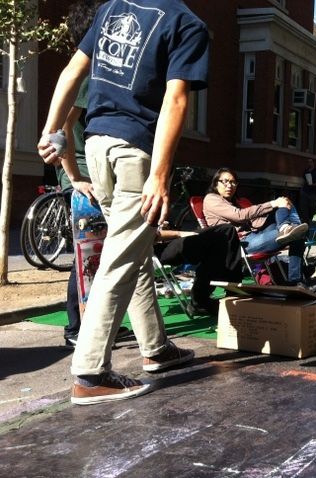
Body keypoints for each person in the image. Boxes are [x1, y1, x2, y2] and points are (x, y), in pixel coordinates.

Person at [37, 0, 210, 405]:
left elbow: (71, 71)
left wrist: (51, 132)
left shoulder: (112, 7)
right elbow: (177, 101)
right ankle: (90, 371)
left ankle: (155, 347)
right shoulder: (188, 24)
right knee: (120, 259)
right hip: (136, 152)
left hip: (97, 145)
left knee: (132, 248)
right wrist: (161, 175)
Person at [53, 0, 132, 349]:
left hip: (92, 174)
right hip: (85, 176)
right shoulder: (88, 74)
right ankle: (76, 328)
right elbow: (64, 128)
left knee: (98, 255)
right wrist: (73, 177)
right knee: (88, 256)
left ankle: (99, 324)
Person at [203, 168, 308, 284]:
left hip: (253, 236)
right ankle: (295, 279)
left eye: (233, 182)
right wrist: (272, 204)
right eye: (225, 181)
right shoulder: (211, 199)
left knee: (287, 205)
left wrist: (277, 207)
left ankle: (285, 227)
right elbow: (239, 216)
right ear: (216, 183)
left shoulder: (234, 202)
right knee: (297, 233)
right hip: (240, 245)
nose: (230, 185)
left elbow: (253, 222)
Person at [299, 158, 316, 224]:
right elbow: (303, 181)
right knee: (304, 208)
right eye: (308, 162)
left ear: (313, 163)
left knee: (314, 208)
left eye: (311, 162)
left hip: (313, 192)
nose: (309, 163)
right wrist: (301, 189)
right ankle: (305, 223)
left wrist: (314, 184)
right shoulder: (306, 171)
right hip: (305, 191)